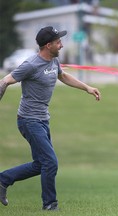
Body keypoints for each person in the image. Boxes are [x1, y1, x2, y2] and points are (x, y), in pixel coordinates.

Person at [0, 26, 101, 210]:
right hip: (29, 120)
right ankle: (50, 205)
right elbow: (5, 80)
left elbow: (62, 76)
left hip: (43, 120)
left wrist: (86, 87)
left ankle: (3, 179)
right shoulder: (30, 65)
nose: (61, 45)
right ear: (48, 45)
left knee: (41, 164)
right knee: (50, 162)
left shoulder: (54, 61)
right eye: (58, 42)